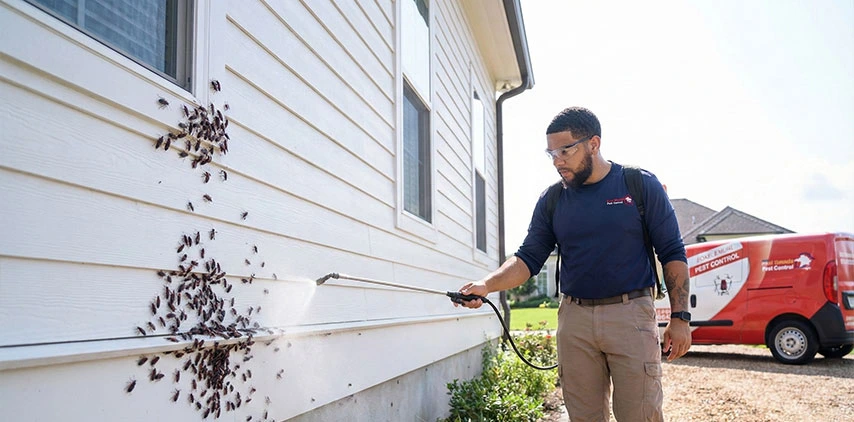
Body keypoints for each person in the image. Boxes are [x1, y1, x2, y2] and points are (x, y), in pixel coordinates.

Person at [457, 107, 691, 422]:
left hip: (631, 315)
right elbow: (528, 257)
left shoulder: (638, 184)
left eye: (565, 150)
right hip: (575, 319)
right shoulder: (553, 199)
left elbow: (672, 251)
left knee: (640, 415)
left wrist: (680, 318)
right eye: (551, 153)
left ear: (594, 143)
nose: (557, 161)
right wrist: (487, 285)